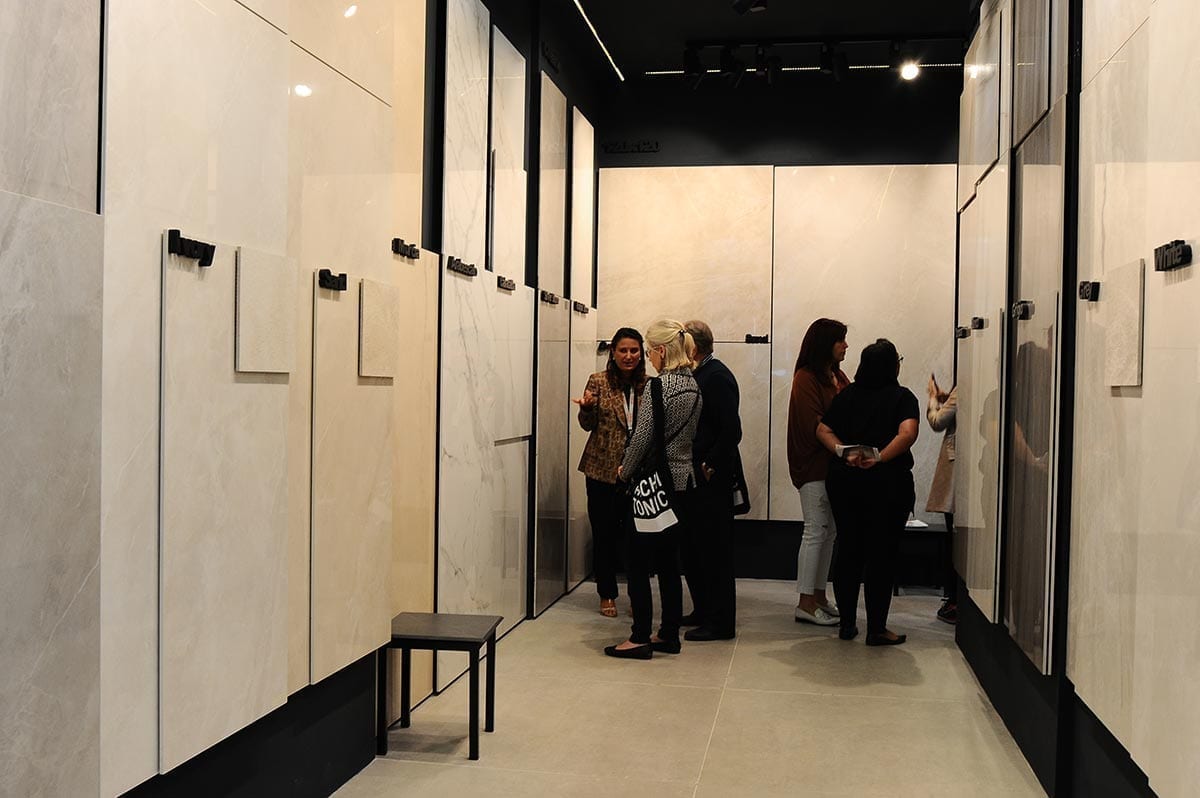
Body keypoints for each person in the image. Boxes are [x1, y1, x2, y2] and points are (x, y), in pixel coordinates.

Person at [606, 320, 703, 659]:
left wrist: (625, 470)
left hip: (654, 487)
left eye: (649, 351)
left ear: (661, 350)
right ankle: (669, 634)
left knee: (636, 562)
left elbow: (642, 437)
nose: (648, 357)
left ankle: (639, 637)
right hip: (684, 483)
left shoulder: (658, 387)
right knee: (669, 563)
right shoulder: (693, 384)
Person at [817, 338, 919, 646]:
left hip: (845, 482)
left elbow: (822, 429)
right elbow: (908, 433)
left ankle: (847, 625)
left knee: (849, 550)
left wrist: (843, 451)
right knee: (881, 555)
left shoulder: (847, 395)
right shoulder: (902, 397)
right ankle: (876, 629)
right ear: (892, 367)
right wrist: (880, 458)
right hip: (888, 484)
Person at [574, 327, 647, 618]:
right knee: (603, 534)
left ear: (641, 353)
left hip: (636, 471)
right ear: (613, 353)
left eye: (634, 350)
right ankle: (606, 593)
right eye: (623, 350)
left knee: (636, 537)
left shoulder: (649, 385)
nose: (628, 356)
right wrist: (587, 409)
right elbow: (587, 425)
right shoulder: (598, 381)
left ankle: (637, 595)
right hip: (601, 470)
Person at [680, 320, 742, 642]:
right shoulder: (702, 374)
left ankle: (720, 622)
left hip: (711, 480)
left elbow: (731, 430)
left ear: (692, 348)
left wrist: (709, 464)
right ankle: (703, 611)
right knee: (696, 549)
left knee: (715, 552)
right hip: (698, 478)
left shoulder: (715, 377)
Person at [787, 318, 850, 626]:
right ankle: (805, 601)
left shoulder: (836, 375)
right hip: (814, 464)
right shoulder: (806, 378)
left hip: (835, 465)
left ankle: (820, 595)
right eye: (841, 340)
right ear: (826, 344)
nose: (846, 346)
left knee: (830, 532)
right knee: (815, 530)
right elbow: (814, 424)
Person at [925, 374, 957, 624]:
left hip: (956, 470)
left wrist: (933, 399)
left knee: (953, 538)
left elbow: (937, 421)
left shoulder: (964, 387)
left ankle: (954, 599)